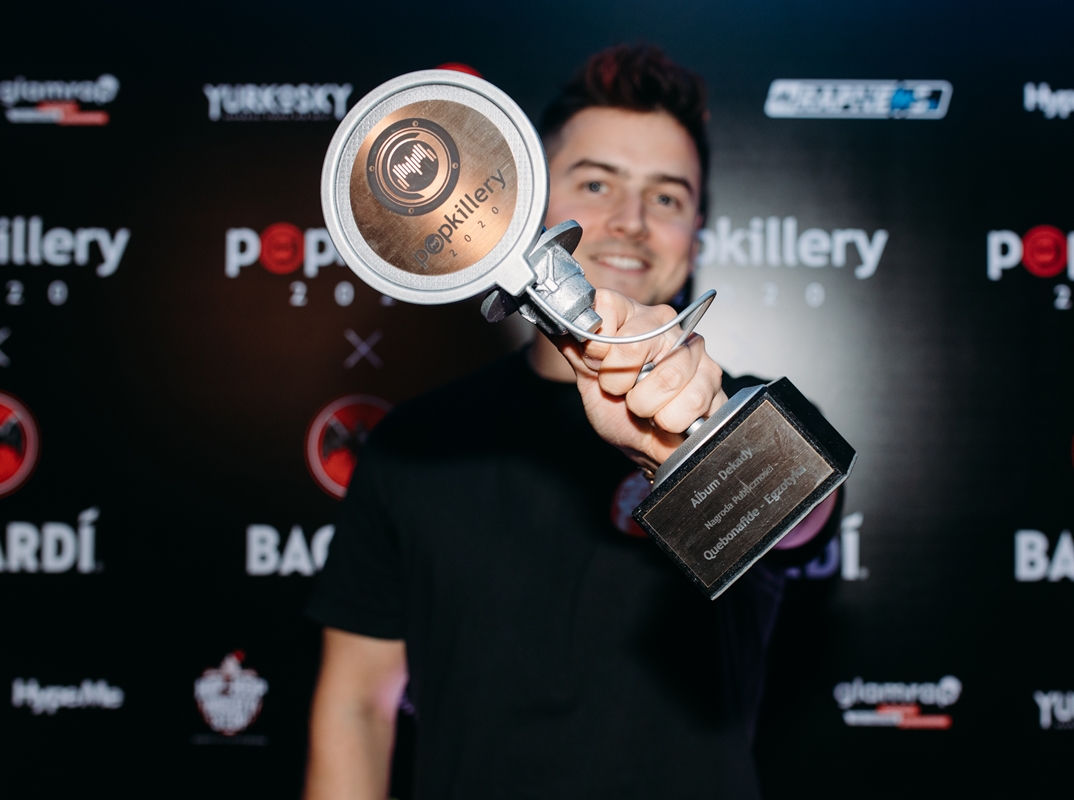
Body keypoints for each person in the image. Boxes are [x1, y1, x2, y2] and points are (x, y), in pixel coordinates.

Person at [304, 45, 841, 800]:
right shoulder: (415, 444)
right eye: (596, 183)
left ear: (695, 231)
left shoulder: (745, 409)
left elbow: (800, 510)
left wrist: (682, 441)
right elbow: (357, 706)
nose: (631, 223)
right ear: (524, 202)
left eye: (667, 198)